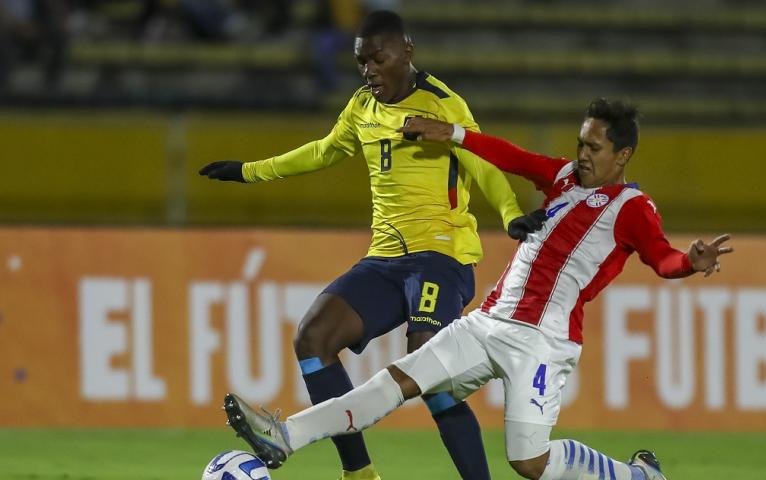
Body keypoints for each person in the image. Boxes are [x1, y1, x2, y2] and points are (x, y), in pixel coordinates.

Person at [220, 98, 733, 480]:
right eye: (580, 143)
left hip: (543, 342)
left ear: (622, 156)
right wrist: (454, 134)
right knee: (391, 383)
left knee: (528, 461)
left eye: (593, 147)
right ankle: (283, 437)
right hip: (487, 322)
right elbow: (509, 156)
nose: (581, 154)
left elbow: (661, 258)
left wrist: (689, 262)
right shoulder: (561, 178)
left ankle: (636, 477)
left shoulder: (632, 207)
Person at [200, 10, 540, 480]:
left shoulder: (443, 104)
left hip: (441, 258)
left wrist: (510, 215)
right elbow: (323, 150)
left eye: (378, 58)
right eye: (362, 61)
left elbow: (482, 162)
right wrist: (249, 170)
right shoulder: (362, 106)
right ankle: (359, 474)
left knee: (433, 375)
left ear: (406, 51)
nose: (369, 70)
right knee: (312, 338)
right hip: (384, 261)